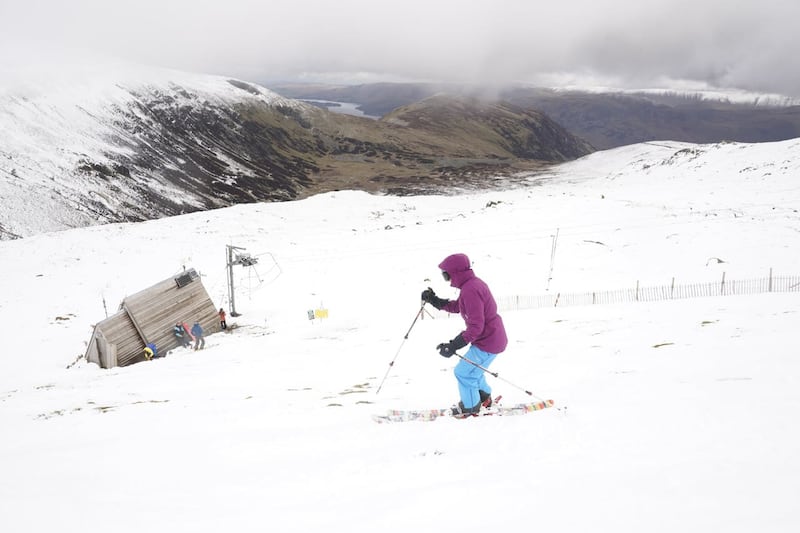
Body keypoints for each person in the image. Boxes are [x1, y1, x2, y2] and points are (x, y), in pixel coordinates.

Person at [421, 253, 508, 416]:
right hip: (492, 338)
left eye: (446, 275)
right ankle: (484, 398)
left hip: (488, 341)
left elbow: (475, 327)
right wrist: (435, 300)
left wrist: (453, 346)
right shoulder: (471, 285)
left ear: (455, 273)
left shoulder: (471, 289)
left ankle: (470, 407)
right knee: (474, 371)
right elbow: (459, 306)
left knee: (463, 372)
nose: (446, 279)